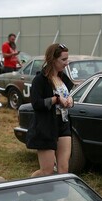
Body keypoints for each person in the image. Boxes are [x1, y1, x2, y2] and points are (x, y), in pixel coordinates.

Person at [26, 43, 74, 177]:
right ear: (53, 60)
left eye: (67, 59)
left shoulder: (63, 78)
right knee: (47, 171)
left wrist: (70, 101)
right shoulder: (40, 80)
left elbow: (68, 95)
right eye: (63, 60)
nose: (66, 63)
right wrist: (56, 100)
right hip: (46, 126)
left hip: (63, 124)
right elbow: (36, 104)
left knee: (63, 169)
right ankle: (27, 190)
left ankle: (60, 198)